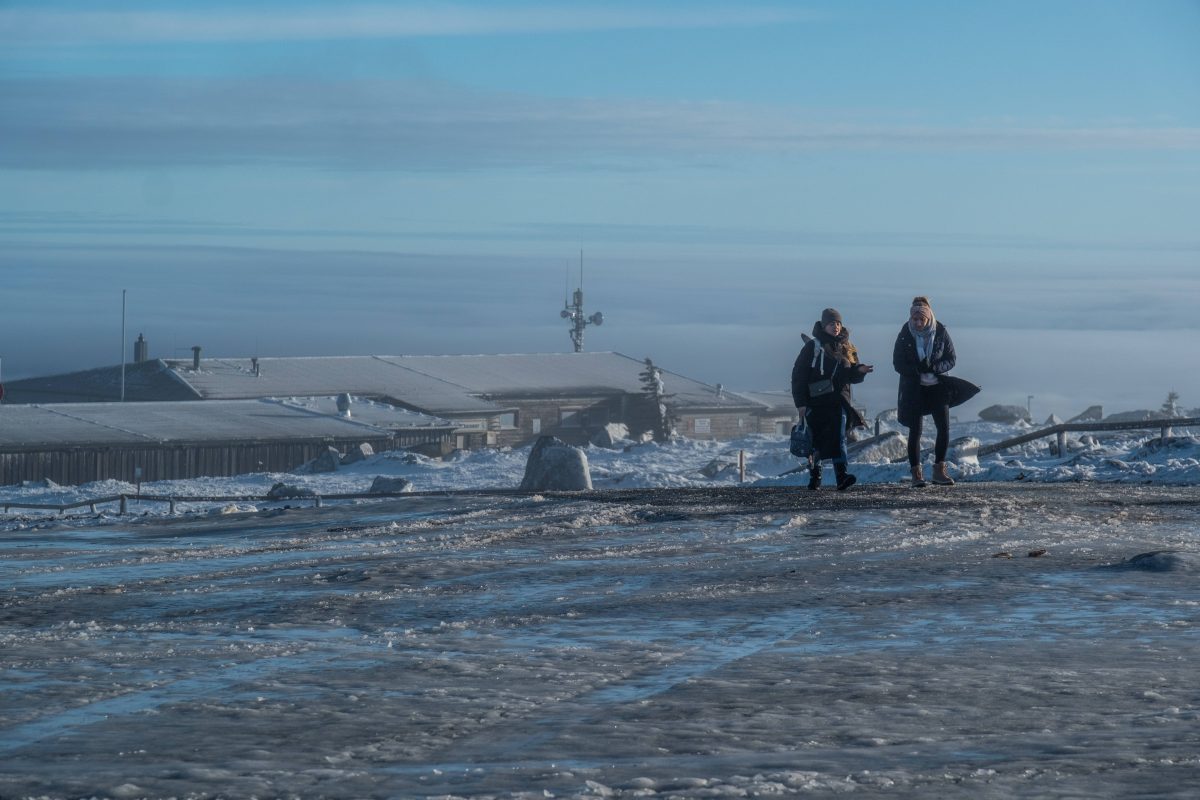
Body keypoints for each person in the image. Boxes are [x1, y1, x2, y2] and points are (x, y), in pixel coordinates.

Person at [791, 308, 874, 490]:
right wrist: (801, 404)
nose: (835, 327)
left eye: (838, 323)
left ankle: (841, 477)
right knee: (814, 441)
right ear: (823, 325)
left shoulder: (848, 347)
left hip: (839, 402)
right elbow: (799, 376)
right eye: (831, 323)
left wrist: (859, 371)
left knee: (839, 439)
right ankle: (815, 476)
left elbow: (850, 376)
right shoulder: (812, 347)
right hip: (816, 402)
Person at [893, 295, 958, 487]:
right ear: (910, 318)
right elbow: (897, 363)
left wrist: (935, 367)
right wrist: (916, 369)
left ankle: (939, 470)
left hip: (938, 387)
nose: (919, 322)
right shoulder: (905, 334)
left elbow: (952, 358)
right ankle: (916, 474)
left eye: (922, 319)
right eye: (915, 319)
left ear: (929, 317)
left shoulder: (941, 332)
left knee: (943, 428)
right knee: (916, 431)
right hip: (915, 389)